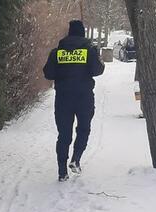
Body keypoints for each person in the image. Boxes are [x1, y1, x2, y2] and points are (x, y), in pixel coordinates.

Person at [43, 20, 105, 181]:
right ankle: (76, 159)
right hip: (84, 97)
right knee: (84, 129)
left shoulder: (57, 52)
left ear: (69, 34)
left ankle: (62, 171)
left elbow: (48, 74)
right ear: (83, 34)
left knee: (64, 135)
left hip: (63, 98)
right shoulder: (89, 51)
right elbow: (98, 70)